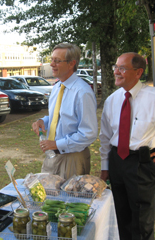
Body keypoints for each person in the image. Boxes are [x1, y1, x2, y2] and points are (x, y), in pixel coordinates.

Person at [99, 52, 155, 240]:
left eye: (122, 68)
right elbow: (105, 137)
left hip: (142, 164)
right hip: (117, 161)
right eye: (116, 67)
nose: (116, 72)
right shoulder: (112, 100)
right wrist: (105, 167)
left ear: (138, 73)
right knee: (120, 215)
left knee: (141, 221)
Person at [32, 43, 98, 180]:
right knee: (48, 198)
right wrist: (42, 121)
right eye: (51, 59)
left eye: (57, 61)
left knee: (69, 200)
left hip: (72, 159)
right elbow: (58, 116)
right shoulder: (57, 87)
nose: (51, 64)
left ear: (71, 64)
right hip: (52, 156)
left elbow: (89, 133)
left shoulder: (83, 92)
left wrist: (57, 144)